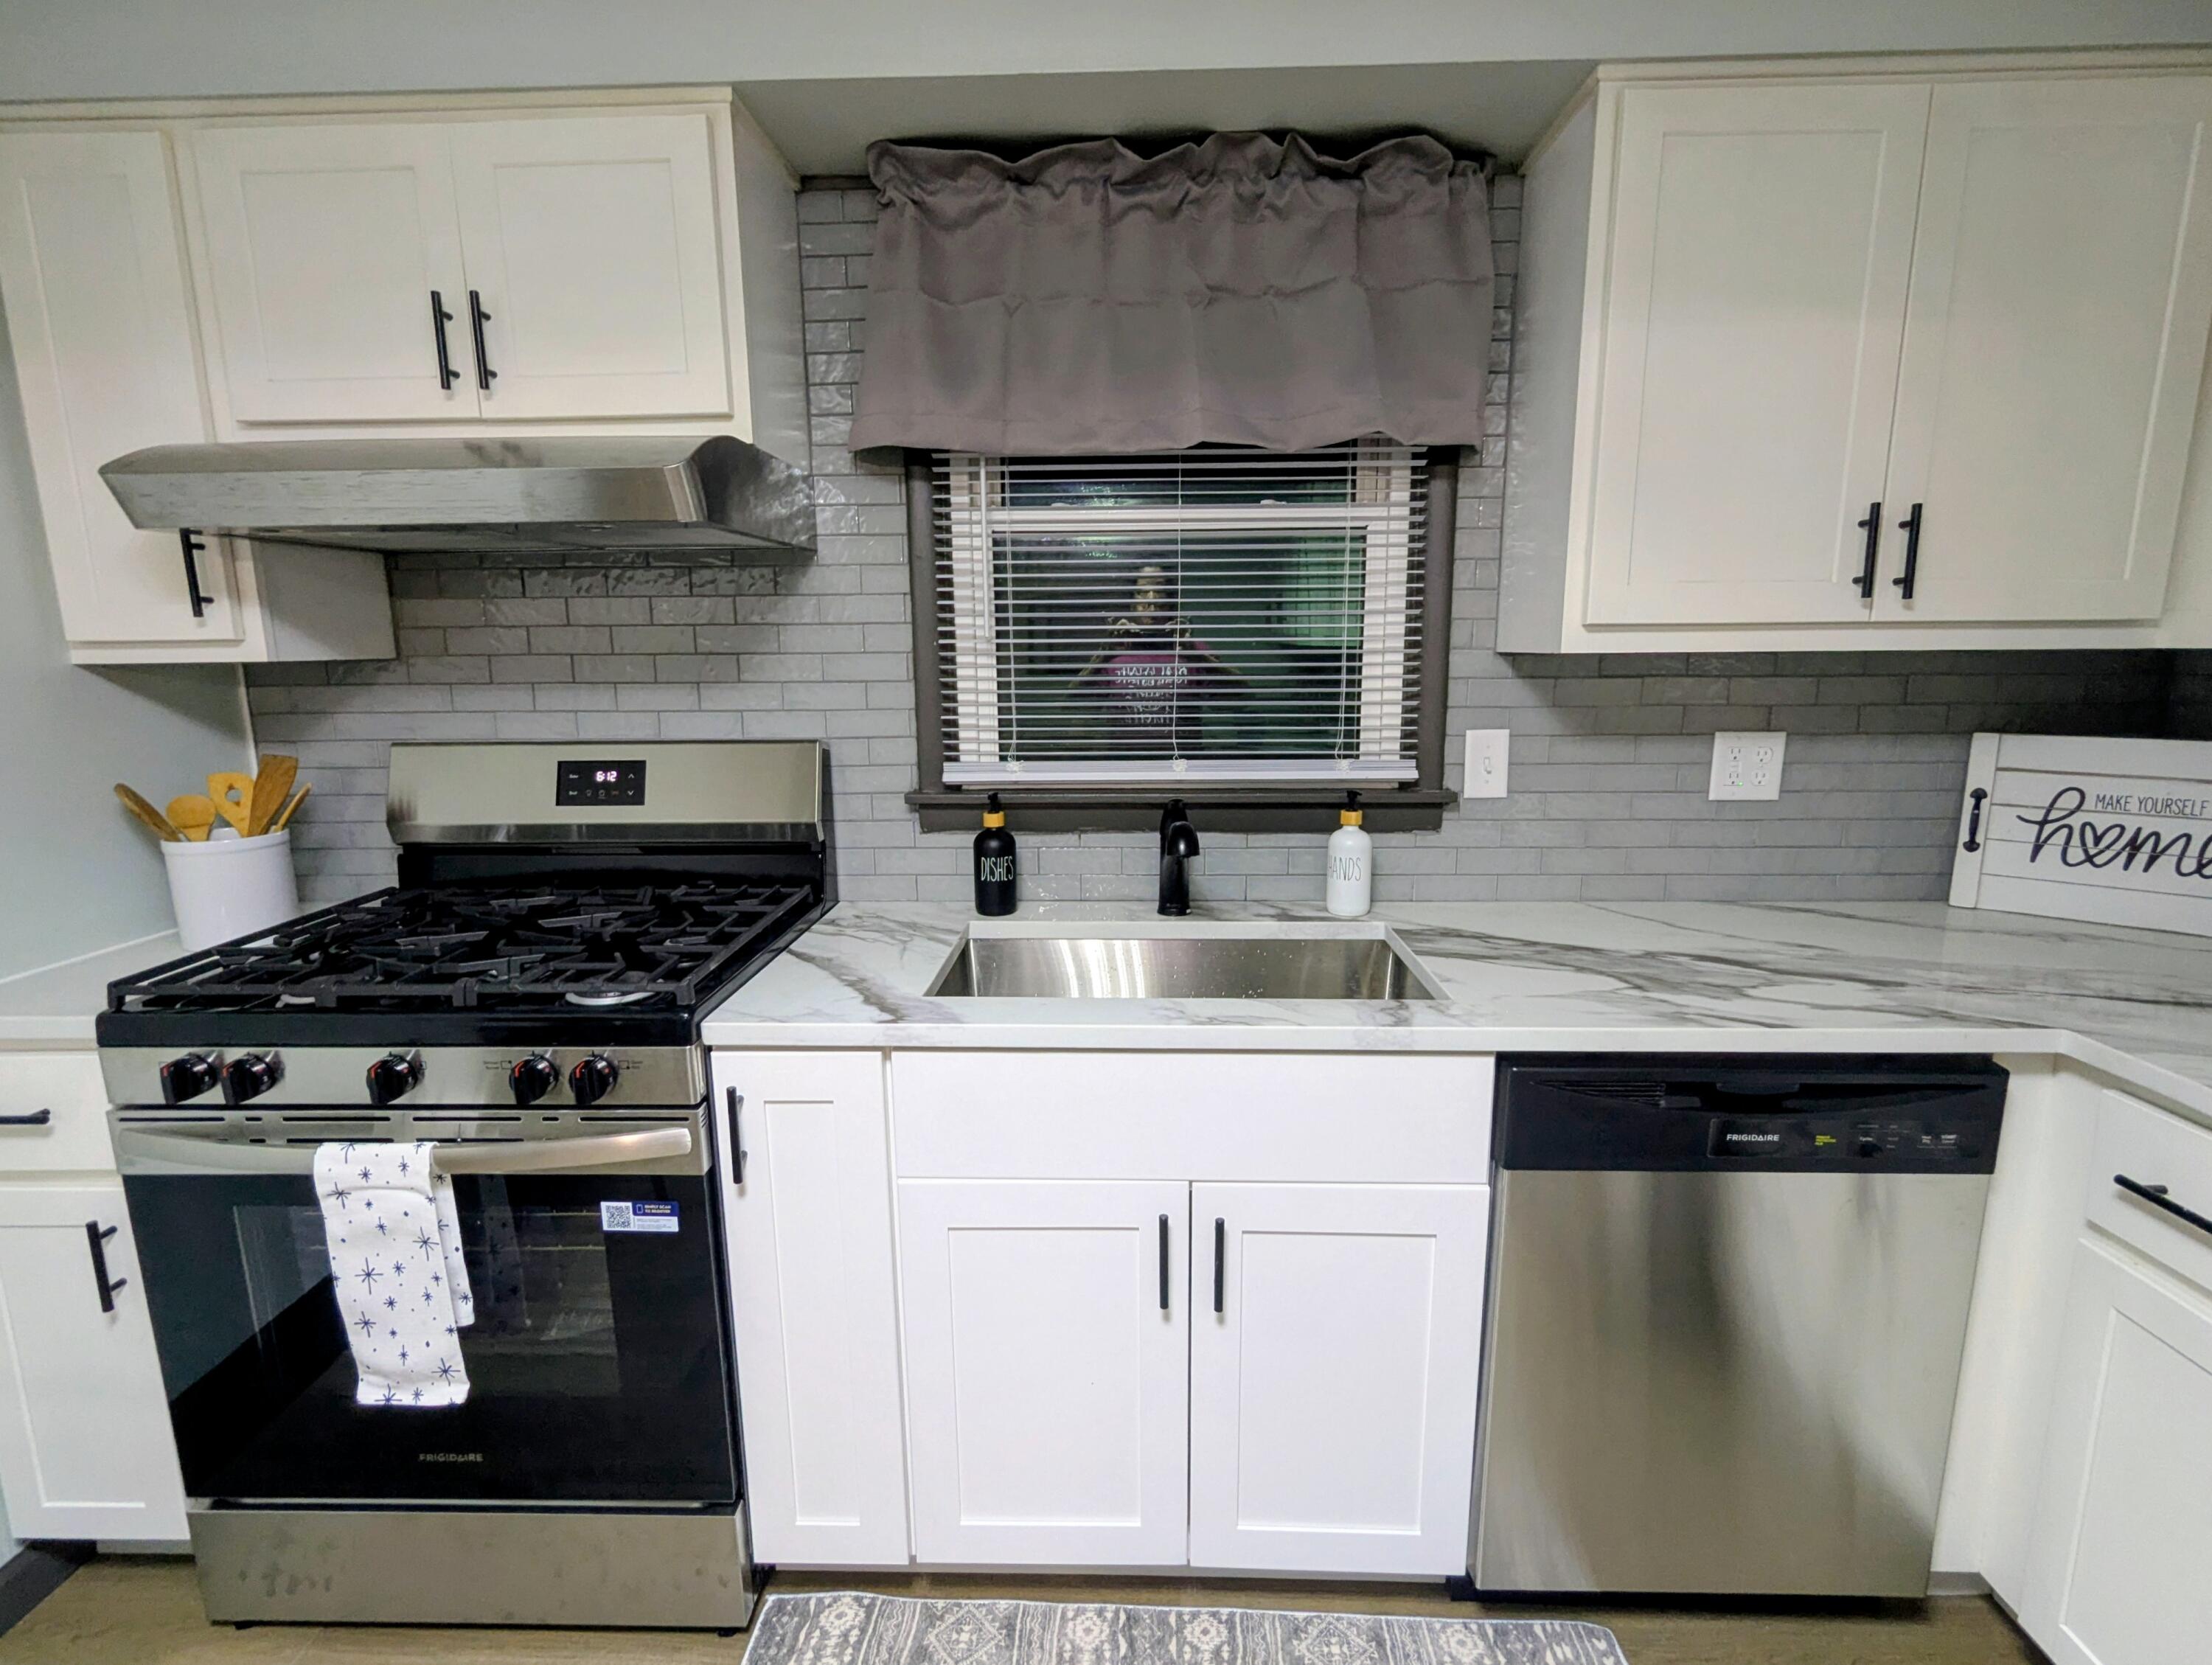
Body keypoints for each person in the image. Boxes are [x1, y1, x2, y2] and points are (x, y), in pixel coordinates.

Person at [1068, 563, 1242, 751]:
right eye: (1142, 593)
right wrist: (1104, 654)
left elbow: (1241, 699)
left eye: (1160, 591)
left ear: (1170, 599)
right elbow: (1074, 707)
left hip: (1182, 767)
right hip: (1125, 766)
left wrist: (1197, 655)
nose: (1152, 602)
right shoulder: (1115, 647)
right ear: (1131, 601)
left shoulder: (1189, 647)